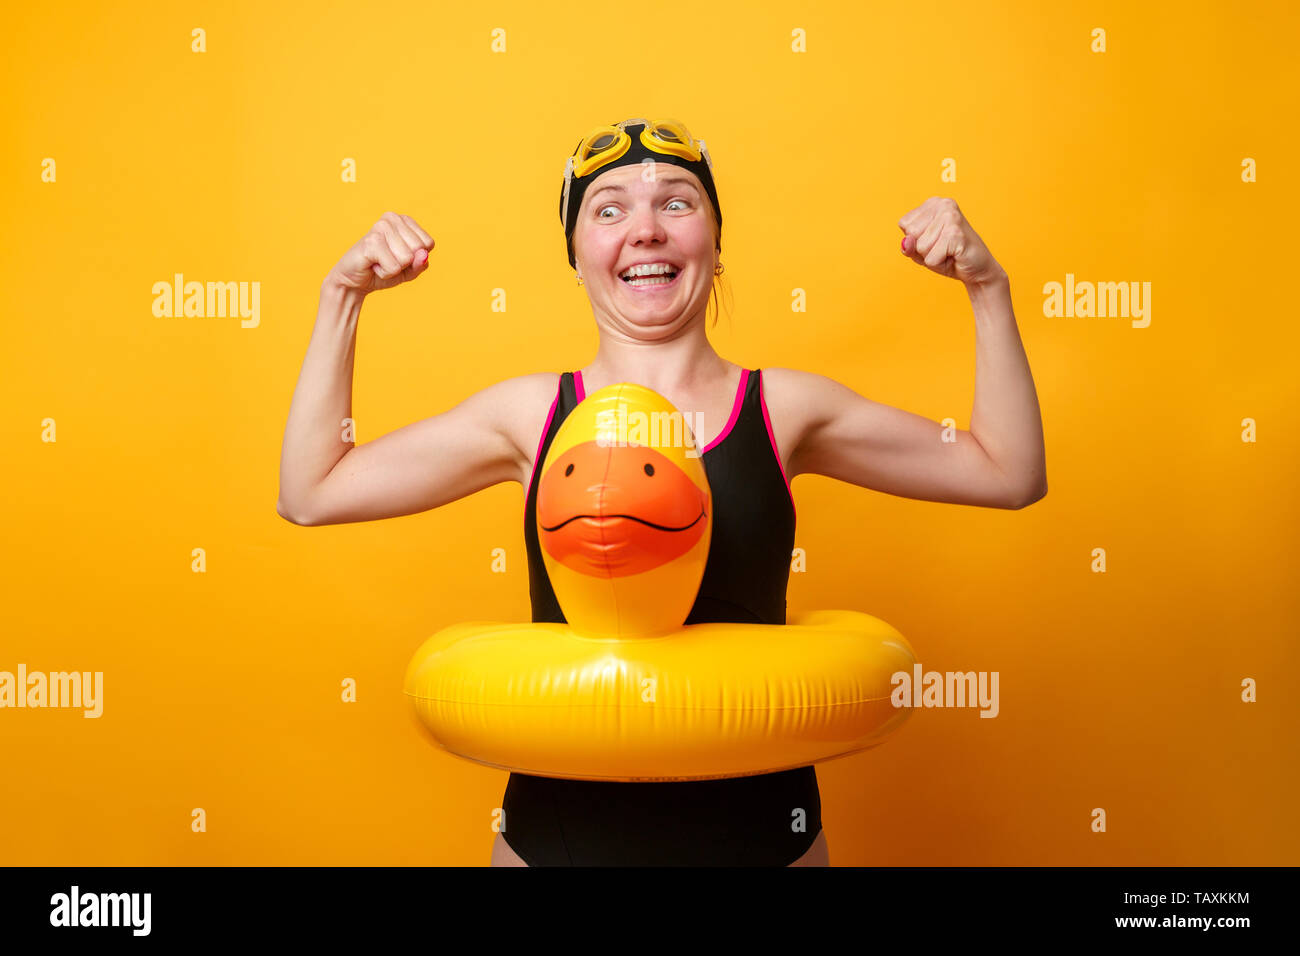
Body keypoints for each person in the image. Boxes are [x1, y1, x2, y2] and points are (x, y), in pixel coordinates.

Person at [276, 117, 1047, 867]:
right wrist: (341, 297)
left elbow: (1006, 472)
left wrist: (988, 288)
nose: (645, 230)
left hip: (766, 844)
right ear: (577, 256)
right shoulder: (529, 415)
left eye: (676, 202)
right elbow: (313, 489)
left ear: (714, 242)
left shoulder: (783, 409)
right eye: (608, 210)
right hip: (557, 845)